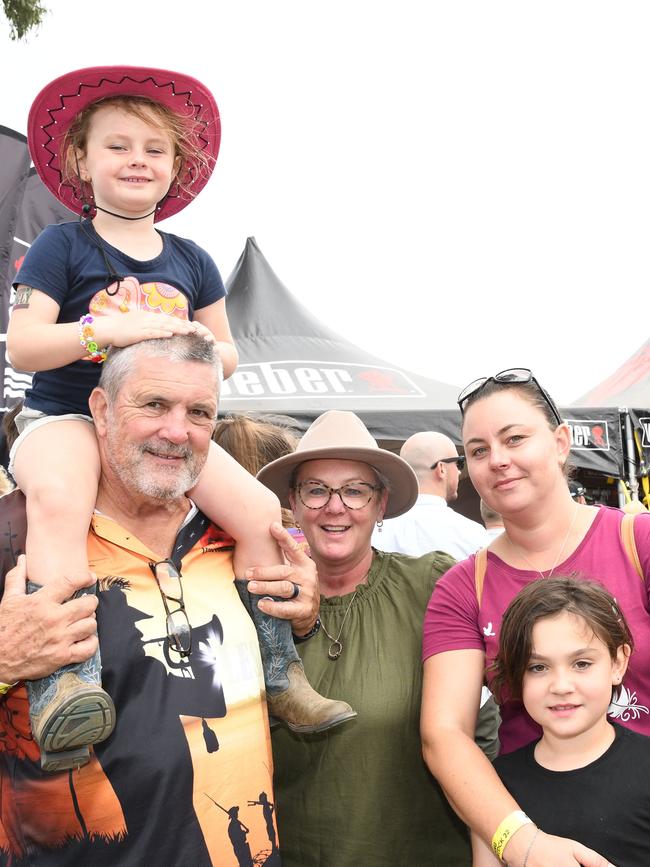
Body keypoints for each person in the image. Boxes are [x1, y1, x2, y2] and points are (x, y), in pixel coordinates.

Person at [7, 65, 343, 769]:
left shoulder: (193, 259)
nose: (137, 159)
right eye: (118, 145)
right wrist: (108, 332)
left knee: (255, 507)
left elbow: (227, 356)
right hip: (65, 413)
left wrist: (177, 334)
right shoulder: (59, 248)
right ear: (81, 161)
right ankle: (63, 681)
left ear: (176, 168)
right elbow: (28, 346)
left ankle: (280, 668)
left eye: (154, 149)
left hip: (159, 423)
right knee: (61, 504)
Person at [0, 334, 321, 864]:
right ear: (100, 409)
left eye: (199, 412)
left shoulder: (238, 535)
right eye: (153, 405)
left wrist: (301, 620)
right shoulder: (18, 532)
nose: (177, 431)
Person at [421, 367, 650, 867]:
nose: (497, 460)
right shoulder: (462, 588)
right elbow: (444, 733)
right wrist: (522, 844)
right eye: (478, 450)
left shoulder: (641, 545)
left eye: (514, 438)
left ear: (562, 441)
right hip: (535, 821)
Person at [257, 410, 500, 867]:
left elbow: (480, 728)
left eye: (355, 490)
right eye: (316, 490)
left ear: (381, 504)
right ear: (293, 500)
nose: (335, 506)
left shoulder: (430, 586)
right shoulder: (261, 605)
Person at [472, 577, 650, 867]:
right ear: (518, 674)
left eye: (581, 664)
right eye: (538, 667)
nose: (561, 685)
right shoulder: (494, 785)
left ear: (618, 663)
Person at [372, 430, 490, 558]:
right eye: (459, 463)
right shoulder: (472, 534)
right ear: (441, 469)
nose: (459, 471)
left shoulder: (375, 531)